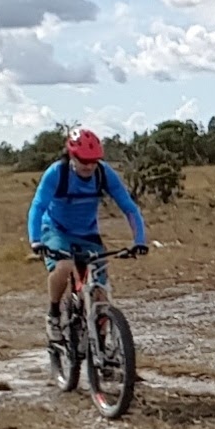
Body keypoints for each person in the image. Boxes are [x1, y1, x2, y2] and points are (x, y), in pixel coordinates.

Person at [27, 126, 148, 344]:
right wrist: (35, 240)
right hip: (56, 230)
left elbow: (129, 208)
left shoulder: (103, 173)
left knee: (101, 293)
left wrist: (139, 241)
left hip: (88, 233)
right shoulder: (57, 173)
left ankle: (102, 347)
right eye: (83, 160)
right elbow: (38, 206)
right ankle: (53, 314)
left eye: (94, 161)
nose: (89, 166)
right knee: (64, 266)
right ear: (71, 155)